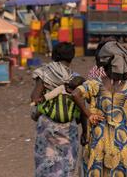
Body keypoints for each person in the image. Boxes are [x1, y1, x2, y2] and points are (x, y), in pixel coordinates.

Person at [72, 41, 127, 177]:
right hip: (122, 144)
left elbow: (75, 94)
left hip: (98, 143)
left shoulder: (95, 84)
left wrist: (89, 114)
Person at [30, 42, 80, 176]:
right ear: (72, 57)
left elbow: (34, 97)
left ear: (54, 55)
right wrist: (85, 130)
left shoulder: (45, 72)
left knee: (45, 162)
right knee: (67, 164)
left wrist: (42, 104)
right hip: (69, 127)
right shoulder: (75, 78)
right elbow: (81, 105)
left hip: (47, 125)